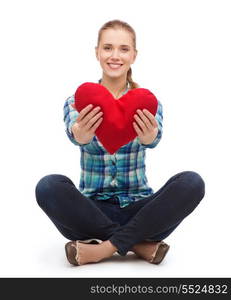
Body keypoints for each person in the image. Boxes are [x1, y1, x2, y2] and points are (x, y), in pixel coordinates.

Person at [35, 19, 205, 266]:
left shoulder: (147, 102)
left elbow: (154, 138)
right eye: (108, 48)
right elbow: (74, 132)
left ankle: (102, 249)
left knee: (192, 182)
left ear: (134, 55)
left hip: (141, 210)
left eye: (124, 49)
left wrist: (149, 138)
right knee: (48, 186)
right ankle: (137, 245)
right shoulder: (77, 101)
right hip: (92, 211)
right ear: (97, 52)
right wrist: (80, 134)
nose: (115, 56)